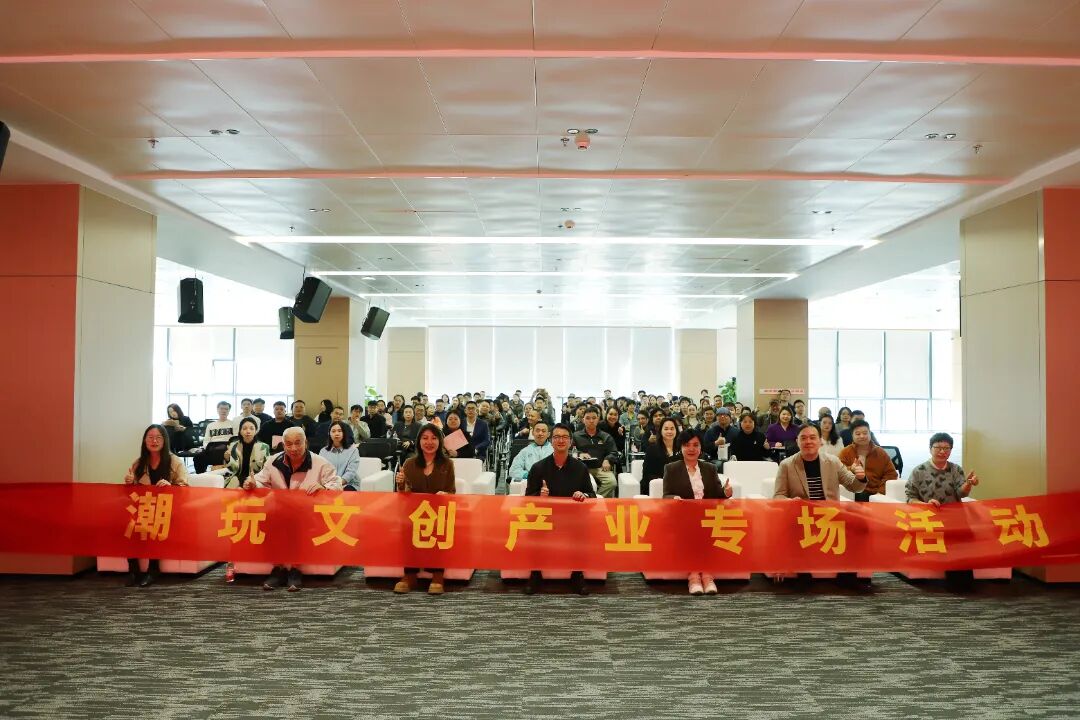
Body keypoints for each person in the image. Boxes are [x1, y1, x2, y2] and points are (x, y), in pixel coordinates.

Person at [245, 427, 341, 591]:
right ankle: (278, 568)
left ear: (306, 443)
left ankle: (295, 569)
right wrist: (252, 483)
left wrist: (323, 487)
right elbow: (261, 481)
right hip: (279, 511)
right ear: (283, 445)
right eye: (288, 444)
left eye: (298, 443)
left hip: (308, 512)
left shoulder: (320, 463)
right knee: (269, 519)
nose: (294, 448)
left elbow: (337, 485)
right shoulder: (273, 461)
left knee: (295, 520)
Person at [523, 423, 595, 595]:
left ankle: (577, 574)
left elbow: (592, 495)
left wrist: (583, 494)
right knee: (534, 528)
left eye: (564, 437)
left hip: (571, 519)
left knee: (582, 530)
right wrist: (540, 496)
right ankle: (535, 573)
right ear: (551, 440)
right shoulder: (538, 467)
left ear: (570, 442)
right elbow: (528, 497)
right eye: (556, 437)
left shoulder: (580, 468)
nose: (561, 440)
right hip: (545, 518)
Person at [662, 431, 733, 595]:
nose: (691, 449)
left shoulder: (710, 468)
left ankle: (707, 576)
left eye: (695, 445)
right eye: (687, 445)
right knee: (692, 530)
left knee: (708, 528)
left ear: (701, 448)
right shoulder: (671, 469)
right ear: (681, 448)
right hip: (683, 518)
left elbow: (717, 494)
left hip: (708, 517)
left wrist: (726, 492)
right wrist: (674, 498)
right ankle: (694, 577)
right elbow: (666, 495)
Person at [123, 425, 189, 587]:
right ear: (145, 441)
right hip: (144, 506)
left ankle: (153, 569)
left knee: (153, 519)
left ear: (165, 441)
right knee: (127, 520)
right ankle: (133, 570)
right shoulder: (138, 463)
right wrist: (129, 483)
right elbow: (131, 494)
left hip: (167, 506)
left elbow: (185, 489)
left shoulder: (175, 461)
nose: (154, 441)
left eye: (158, 437)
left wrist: (170, 487)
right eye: (150, 437)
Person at [393, 425, 456, 595]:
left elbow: (452, 491)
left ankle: (437, 574)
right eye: (425, 438)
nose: (429, 442)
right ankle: (409, 574)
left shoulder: (447, 464)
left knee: (440, 528)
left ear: (440, 441)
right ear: (419, 441)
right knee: (408, 526)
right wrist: (401, 483)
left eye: (434, 438)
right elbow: (404, 494)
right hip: (416, 513)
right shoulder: (409, 463)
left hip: (438, 513)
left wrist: (445, 494)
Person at [773, 424, 866, 500]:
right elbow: (778, 495)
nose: (808, 441)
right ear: (797, 441)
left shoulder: (833, 462)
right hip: (802, 514)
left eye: (812, 438)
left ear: (820, 441)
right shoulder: (786, 465)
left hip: (829, 513)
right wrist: (789, 501)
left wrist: (861, 478)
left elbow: (854, 487)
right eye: (803, 438)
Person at [906, 433, 979, 506]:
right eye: (938, 448)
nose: (942, 451)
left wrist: (968, 484)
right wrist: (926, 505)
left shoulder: (956, 469)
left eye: (946, 448)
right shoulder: (918, 471)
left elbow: (962, 494)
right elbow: (910, 497)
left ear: (950, 450)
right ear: (930, 449)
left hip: (953, 510)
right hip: (927, 511)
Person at [838, 419, 897, 500]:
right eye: (858, 434)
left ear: (870, 434)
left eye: (865, 433)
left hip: (875, 492)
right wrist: (851, 469)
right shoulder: (845, 452)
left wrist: (880, 492)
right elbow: (838, 473)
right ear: (852, 435)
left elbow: (891, 474)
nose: (862, 436)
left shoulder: (880, 452)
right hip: (853, 492)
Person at [572, 406, 619, 498]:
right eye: (588, 418)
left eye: (594, 418)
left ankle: (593, 499)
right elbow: (569, 451)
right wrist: (580, 453)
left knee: (612, 482)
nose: (591, 421)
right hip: (581, 468)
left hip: (600, 467)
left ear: (598, 420)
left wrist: (607, 459)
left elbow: (614, 452)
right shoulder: (576, 436)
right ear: (583, 420)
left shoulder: (606, 436)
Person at [222, 418, 271, 489]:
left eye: (251, 428)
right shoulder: (233, 445)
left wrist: (254, 480)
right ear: (240, 431)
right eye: (244, 428)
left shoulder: (264, 447)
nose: (248, 431)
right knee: (230, 491)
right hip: (236, 478)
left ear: (256, 431)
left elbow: (266, 469)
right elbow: (231, 469)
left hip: (255, 479)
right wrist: (227, 459)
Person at [641, 418, 681, 495]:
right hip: (656, 487)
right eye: (666, 429)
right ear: (661, 431)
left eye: (672, 429)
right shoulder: (652, 450)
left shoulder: (682, 449)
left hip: (678, 488)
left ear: (676, 431)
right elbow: (647, 474)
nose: (669, 431)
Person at [194, 401, 237, 473]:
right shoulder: (210, 425)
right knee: (198, 457)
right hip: (212, 449)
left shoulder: (233, 424)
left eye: (226, 409)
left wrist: (230, 450)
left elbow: (235, 440)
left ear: (229, 411)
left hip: (227, 449)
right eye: (221, 408)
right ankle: (202, 476)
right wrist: (208, 449)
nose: (224, 411)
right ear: (217, 410)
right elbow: (206, 440)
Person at [320, 420, 360, 490]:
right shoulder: (323, 451)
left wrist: (335, 486)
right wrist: (327, 486)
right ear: (329, 434)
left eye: (339, 431)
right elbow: (321, 472)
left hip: (348, 484)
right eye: (333, 431)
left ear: (344, 433)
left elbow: (351, 472)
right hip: (328, 485)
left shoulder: (353, 450)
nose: (336, 433)